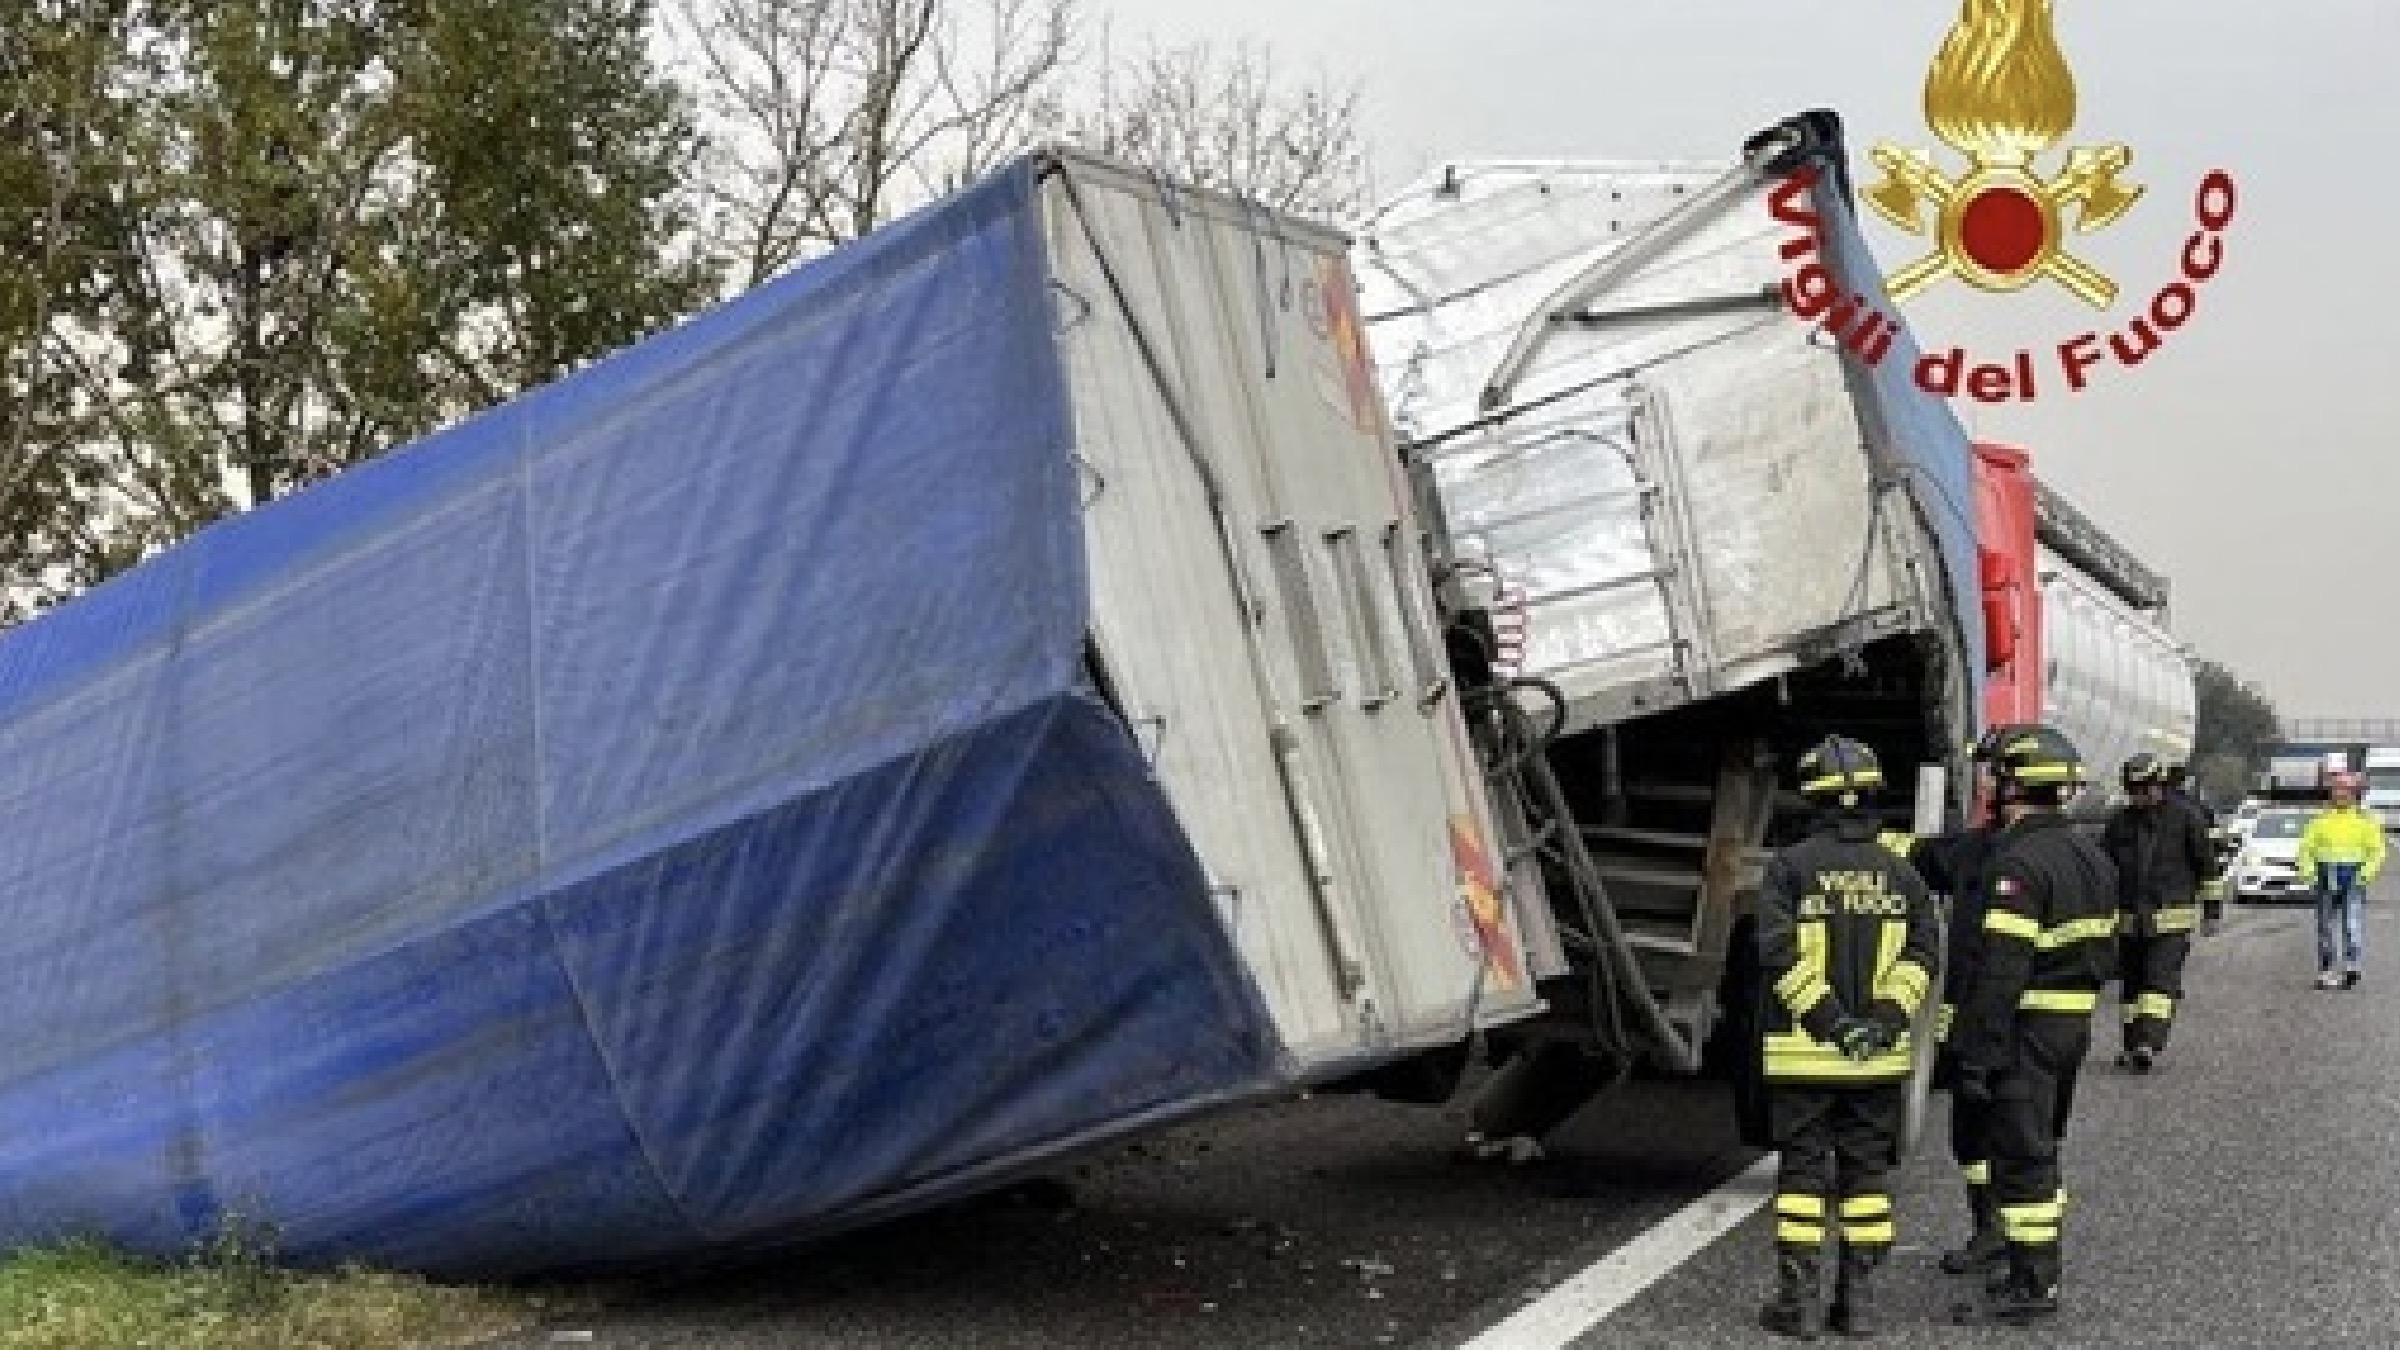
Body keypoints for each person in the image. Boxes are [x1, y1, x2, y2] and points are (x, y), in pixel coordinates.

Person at [1754, 735, 1939, 1340]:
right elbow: (1922, 956)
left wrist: (1831, 1024)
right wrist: (1881, 1023)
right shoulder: (1902, 873)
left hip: (1804, 1058)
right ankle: (1857, 1305)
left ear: (1812, 797)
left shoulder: (1790, 868)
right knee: (1866, 1181)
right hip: (1877, 1062)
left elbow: (1777, 956)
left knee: (1803, 1178)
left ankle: (1797, 1305)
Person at [1949, 725, 2118, 1326]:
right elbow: (2106, 954)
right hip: (2072, 1025)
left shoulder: (2020, 861)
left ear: (2014, 784)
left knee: (2023, 1157)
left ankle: (2034, 1285)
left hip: (2028, 1029)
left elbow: (2001, 971)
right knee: (2040, 1145)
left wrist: (1978, 1053)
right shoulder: (2091, 856)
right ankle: (2028, 1270)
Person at [1906, 724, 2033, 1281]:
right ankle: (1993, 1230)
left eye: (1991, 774)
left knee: (2013, 1133)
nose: (1983, 784)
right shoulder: (1980, 847)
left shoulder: (2023, 856)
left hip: (2014, 1025)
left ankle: (2022, 1253)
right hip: (1990, 1021)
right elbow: (1925, 858)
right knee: (1972, 1135)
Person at [2101, 753, 2217, 1072]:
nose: (2139, 796)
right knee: (2131, 988)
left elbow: (2207, 866)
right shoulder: (2118, 823)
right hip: (2128, 923)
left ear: (2160, 785)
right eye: (2133, 790)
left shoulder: (2186, 819)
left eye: (2145, 788)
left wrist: (2212, 910)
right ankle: (2130, 1044)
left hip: (2170, 921)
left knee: (2159, 983)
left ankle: (2148, 1043)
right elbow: (2104, 869)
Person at [2296, 773, 2386, 989]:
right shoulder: (2319, 821)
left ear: (2355, 793)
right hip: (2326, 875)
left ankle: (2351, 966)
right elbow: (2306, 849)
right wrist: (2309, 872)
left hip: (2354, 876)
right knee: (2325, 927)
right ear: (2332, 793)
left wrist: (2366, 873)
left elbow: (2377, 851)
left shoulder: (2365, 822)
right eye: (2338, 789)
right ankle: (2327, 971)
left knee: (2351, 925)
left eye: (2347, 789)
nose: (2342, 793)